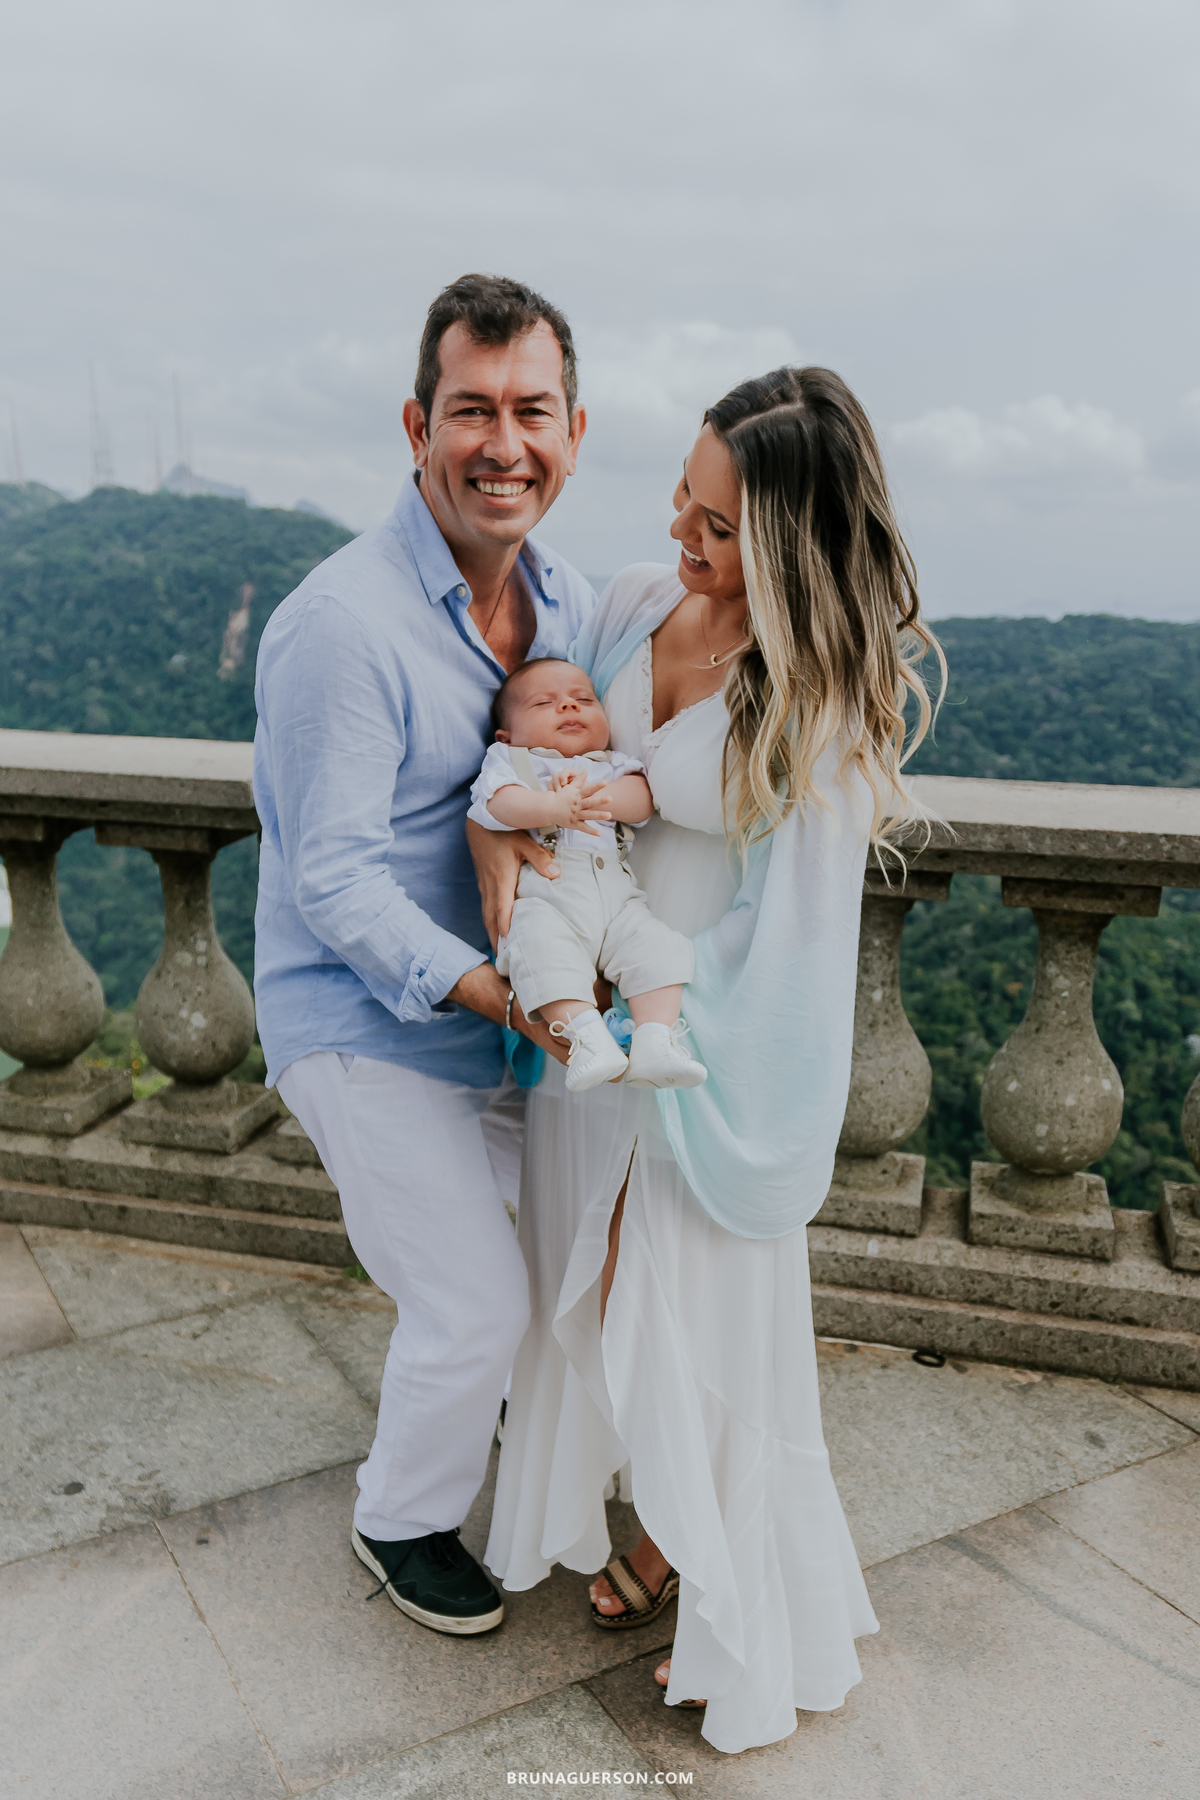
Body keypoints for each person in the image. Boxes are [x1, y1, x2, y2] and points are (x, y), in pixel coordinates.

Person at [480, 366, 941, 1751]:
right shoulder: (633, 602)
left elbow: (798, 938)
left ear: (796, 546)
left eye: (719, 525)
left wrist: (672, 1023)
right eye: (682, 500)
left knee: (679, 1304)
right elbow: (536, 742)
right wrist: (500, 838)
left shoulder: (813, 706)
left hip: (697, 1048)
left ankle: (714, 1569)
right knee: (587, 1269)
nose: (684, 536)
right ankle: (644, 1515)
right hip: (601, 1012)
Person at [252, 273, 594, 1635]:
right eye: (471, 410)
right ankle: (398, 1518)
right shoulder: (343, 627)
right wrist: (491, 987)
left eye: (531, 411)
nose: (502, 443)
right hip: (365, 1018)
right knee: (471, 1296)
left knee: (556, 1270)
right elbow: (331, 876)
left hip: (501, 1017)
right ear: (416, 425)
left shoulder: (563, 596)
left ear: (574, 430)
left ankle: (498, 1423)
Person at [468, 656, 706, 1091]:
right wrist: (550, 808)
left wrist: (602, 799)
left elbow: (642, 800)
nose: (569, 707)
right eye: (545, 703)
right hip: (547, 899)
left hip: (617, 901)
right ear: (508, 734)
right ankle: (586, 1039)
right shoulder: (513, 761)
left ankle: (656, 1039)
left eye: (583, 699)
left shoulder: (611, 764)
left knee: (659, 948)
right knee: (542, 956)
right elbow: (495, 804)